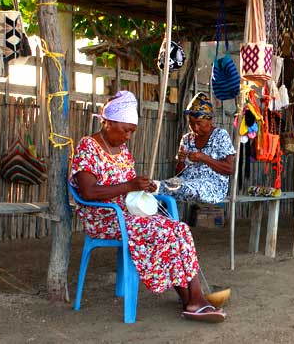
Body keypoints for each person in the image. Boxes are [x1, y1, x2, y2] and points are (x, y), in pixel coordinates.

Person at [69, 91, 226, 323]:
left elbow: (129, 187)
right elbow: (88, 192)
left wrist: (143, 186)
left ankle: (194, 297)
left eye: (132, 131)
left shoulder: (121, 150)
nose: (129, 137)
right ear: (109, 122)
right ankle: (193, 299)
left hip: (128, 215)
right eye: (125, 130)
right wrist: (128, 186)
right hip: (105, 217)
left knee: (179, 229)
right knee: (164, 233)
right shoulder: (88, 147)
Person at [158, 92, 236, 204]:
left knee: (185, 189)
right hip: (186, 181)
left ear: (210, 120)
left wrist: (204, 158)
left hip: (212, 186)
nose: (195, 127)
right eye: (191, 123)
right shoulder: (187, 139)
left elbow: (229, 169)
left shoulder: (220, 135)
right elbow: (179, 174)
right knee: (159, 187)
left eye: (199, 123)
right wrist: (180, 161)